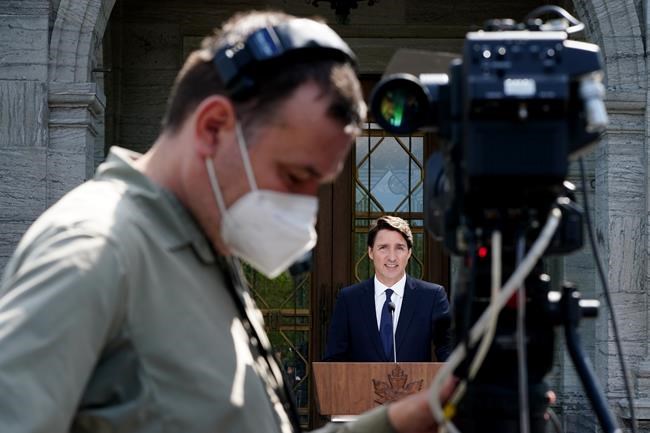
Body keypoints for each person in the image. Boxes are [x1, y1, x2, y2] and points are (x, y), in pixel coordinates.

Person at [0, 10, 447, 433]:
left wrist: (395, 421)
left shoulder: (204, 248)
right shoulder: (94, 252)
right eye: (295, 175)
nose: (306, 208)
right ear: (213, 126)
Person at [324, 216, 451, 362]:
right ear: (371, 252)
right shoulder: (349, 299)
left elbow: (449, 351)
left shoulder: (432, 297)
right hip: (361, 384)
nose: (392, 257)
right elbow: (333, 359)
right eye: (383, 248)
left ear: (409, 253)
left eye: (399, 248)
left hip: (417, 384)